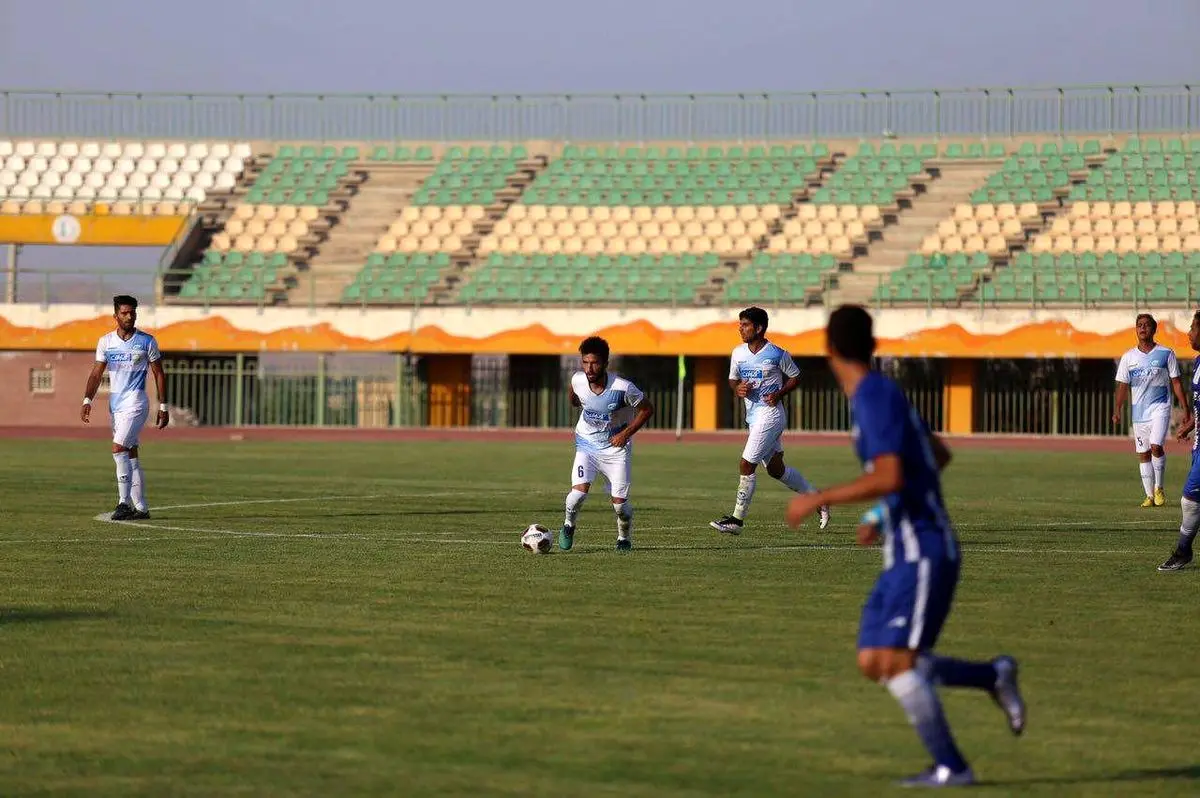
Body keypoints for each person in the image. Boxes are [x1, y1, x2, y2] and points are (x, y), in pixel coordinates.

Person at [785, 305, 1025, 788]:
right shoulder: (879, 393)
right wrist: (881, 512)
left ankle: (952, 767)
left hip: (925, 549)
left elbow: (893, 473)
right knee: (874, 659)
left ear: (829, 348)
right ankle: (992, 676)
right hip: (907, 549)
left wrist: (822, 496)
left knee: (895, 662)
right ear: (871, 346)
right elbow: (936, 454)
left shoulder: (872, 396)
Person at [710, 306, 829, 535]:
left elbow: (795, 377)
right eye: (740, 324)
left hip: (771, 415)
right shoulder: (738, 353)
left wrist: (779, 393)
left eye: (745, 325)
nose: (740, 329)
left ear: (759, 328)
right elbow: (733, 380)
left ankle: (736, 520)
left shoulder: (776, 353)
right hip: (754, 417)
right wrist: (738, 389)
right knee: (776, 470)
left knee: (746, 464)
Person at [560, 336, 654, 552]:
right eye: (585, 362)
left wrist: (626, 433)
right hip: (587, 445)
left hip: (615, 450)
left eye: (594, 363)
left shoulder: (623, 388)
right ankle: (568, 525)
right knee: (577, 495)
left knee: (620, 506)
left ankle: (623, 538)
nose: (589, 368)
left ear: (605, 364)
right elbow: (574, 394)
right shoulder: (578, 379)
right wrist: (576, 402)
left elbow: (647, 409)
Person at [82, 295, 169, 521]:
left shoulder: (147, 341)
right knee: (130, 454)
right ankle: (141, 507)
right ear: (116, 316)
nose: (129, 316)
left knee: (118, 448)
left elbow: (158, 373)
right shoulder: (106, 342)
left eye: (132, 312)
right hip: (116, 405)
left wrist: (163, 405)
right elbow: (96, 373)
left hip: (136, 403)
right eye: (124, 313)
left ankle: (123, 503)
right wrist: (87, 400)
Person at [1113, 313, 1190, 507]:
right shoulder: (1128, 357)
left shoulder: (1166, 353)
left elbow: (1176, 382)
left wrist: (1185, 408)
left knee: (1156, 445)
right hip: (1139, 413)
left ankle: (1159, 488)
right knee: (1143, 453)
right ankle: (1149, 496)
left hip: (1160, 408)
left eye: (1147, 325)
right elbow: (1122, 386)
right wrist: (1117, 409)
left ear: (1154, 330)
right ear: (1136, 330)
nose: (1143, 328)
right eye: (1139, 325)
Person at [1158, 310, 1200, 571]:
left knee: (1190, 499)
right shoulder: (1197, 362)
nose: (1189, 333)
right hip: (1198, 444)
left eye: (1194, 328)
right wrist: (1190, 425)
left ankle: (1183, 551)